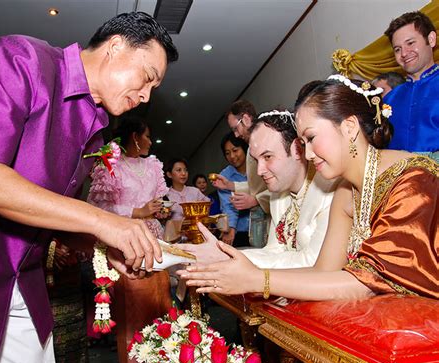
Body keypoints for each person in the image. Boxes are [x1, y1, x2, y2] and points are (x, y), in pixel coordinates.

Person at [0, 12, 178, 363]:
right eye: (147, 78)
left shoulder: (96, 131)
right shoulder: (22, 60)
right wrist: (103, 221)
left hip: (25, 284)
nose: (145, 95)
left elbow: (52, 214)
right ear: (115, 46)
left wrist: (102, 245)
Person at [180, 75, 438, 301]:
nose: (308, 154)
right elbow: (323, 272)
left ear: (349, 127)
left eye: (312, 138)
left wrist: (258, 280)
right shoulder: (346, 192)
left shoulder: (412, 179)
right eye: (303, 143)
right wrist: (240, 266)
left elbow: (367, 283)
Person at [178, 109, 337, 269]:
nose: (260, 170)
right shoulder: (278, 196)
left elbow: (313, 262)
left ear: (297, 149)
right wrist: (225, 253)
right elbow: (273, 251)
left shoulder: (329, 191)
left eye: (267, 157)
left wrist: (226, 257)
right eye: (256, 160)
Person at [87, 117, 172, 363]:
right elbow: (99, 209)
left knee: (162, 308)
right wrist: (138, 211)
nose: (150, 141)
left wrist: (160, 211)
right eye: (147, 136)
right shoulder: (109, 164)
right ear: (135, 136)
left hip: (156, 244)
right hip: (126, 248)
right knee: (134, 315)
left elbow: (158, 202)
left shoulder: (153, 164)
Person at [211, 100, 270, 247]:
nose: (236, 135)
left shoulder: (266, 142)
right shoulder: (252, 149)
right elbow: (258, 187)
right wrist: (230, 185)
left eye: (236, 129)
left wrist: (255, 200)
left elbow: (278, 187)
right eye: (227, 153)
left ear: (245, 119)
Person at [384, 11, 439, 162]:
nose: (404, 53)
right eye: (397, 49)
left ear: (431, 39)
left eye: (410, 43)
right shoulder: (389, 99)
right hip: (398, 181)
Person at [218, 132, 250, 247]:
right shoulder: (224, 176)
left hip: (263, 226)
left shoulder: (258, 167)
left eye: (235, 150)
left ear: (244, 148)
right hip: (238, 231)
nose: (232, 156)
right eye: (227, 153)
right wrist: (230, 228)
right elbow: (228, 206)